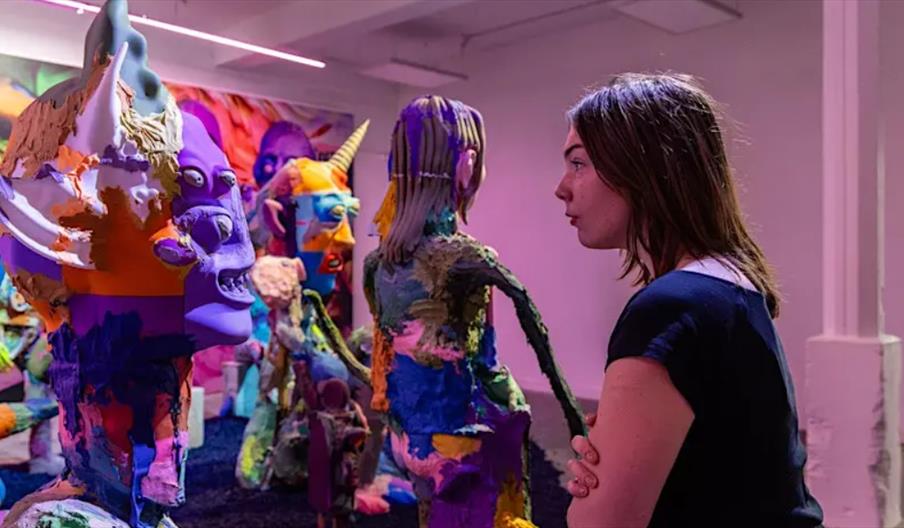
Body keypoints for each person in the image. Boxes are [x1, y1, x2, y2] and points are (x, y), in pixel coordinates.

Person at [556, 73, 823, 528]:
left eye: (578, 163)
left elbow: (597, 524)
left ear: (640, 167)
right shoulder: (731, 289)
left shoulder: (672, 306)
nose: (562, 187)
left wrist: (596, 492)